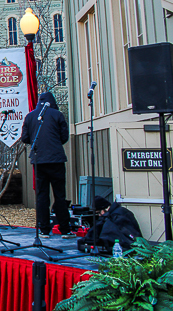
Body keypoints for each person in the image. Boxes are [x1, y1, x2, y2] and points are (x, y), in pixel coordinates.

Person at [20, 91, 73, 239]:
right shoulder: (58, 115)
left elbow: (25, 138)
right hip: (56, 160)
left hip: (39, 160)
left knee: (42, 195)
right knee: (60, 195)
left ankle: (43, 229)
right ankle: (65, 229)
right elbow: (64, 137)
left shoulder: (30, 116)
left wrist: (37, 143)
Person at [78, 196, 142, 251]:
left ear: (104, 208)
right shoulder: (120, 212)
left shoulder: (114, 217)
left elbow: (108, 234)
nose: (99, 215)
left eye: (99, 212)